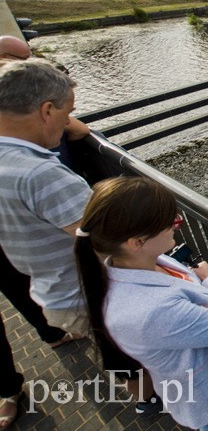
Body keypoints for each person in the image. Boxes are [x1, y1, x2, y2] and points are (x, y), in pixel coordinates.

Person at [74, 176, 208, 431]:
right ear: (137, 242)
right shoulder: (149, 311)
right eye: (169, 220)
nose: (177, 222)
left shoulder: (148, 262)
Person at [0, 58, 92, 428]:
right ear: (46, 110)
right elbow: (111, 241)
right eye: (67, 112)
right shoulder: (41, 174)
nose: (67, 121)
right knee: (133, 355)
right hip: (82, 294)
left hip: (47, 292)